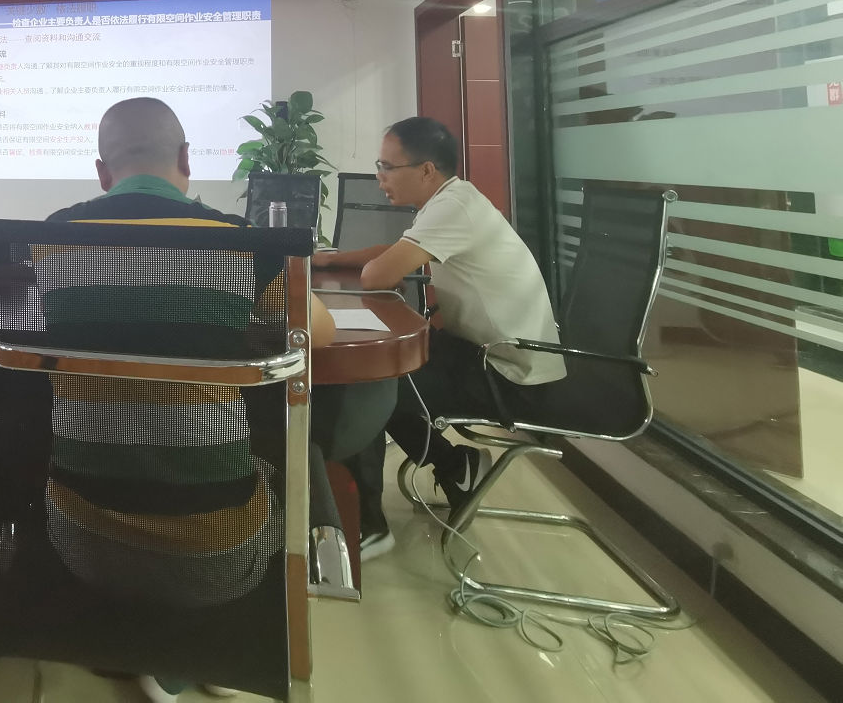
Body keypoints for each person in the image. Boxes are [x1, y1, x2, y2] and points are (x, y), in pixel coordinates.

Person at [44, 97, 389, 703]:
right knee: (284, 440)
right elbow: (320, 332)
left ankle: (145, 643)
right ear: (186, 160)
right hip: (222, 549)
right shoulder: (243, 246)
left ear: (102, 173)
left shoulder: (47, 241)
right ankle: (194, 651)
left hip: (78, 539)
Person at [313, 117, 565, 525]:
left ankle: (368, 524)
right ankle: (455, 466)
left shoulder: (454, 208)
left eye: (387, 167)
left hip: (509, 374)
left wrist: (362, 265)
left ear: (426, 170)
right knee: (378, 372)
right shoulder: (451, 201)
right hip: (483, 354)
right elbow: (393, 251)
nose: (379, 177)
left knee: (367, 384)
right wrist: (329, 260)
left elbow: (378, 275)